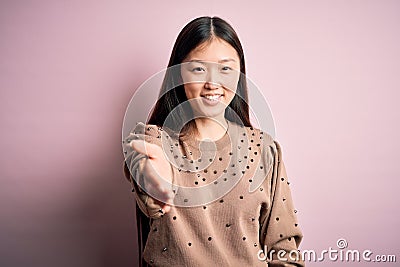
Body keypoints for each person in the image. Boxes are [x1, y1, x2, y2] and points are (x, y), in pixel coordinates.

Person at [123, 16, 304, 266]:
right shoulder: (154, 140)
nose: (212, 83)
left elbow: (284, 249)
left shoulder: (264, 150)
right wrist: (157, 182)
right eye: (198, 68)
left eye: (225, 68)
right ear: (178, 74)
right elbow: (142, 167)